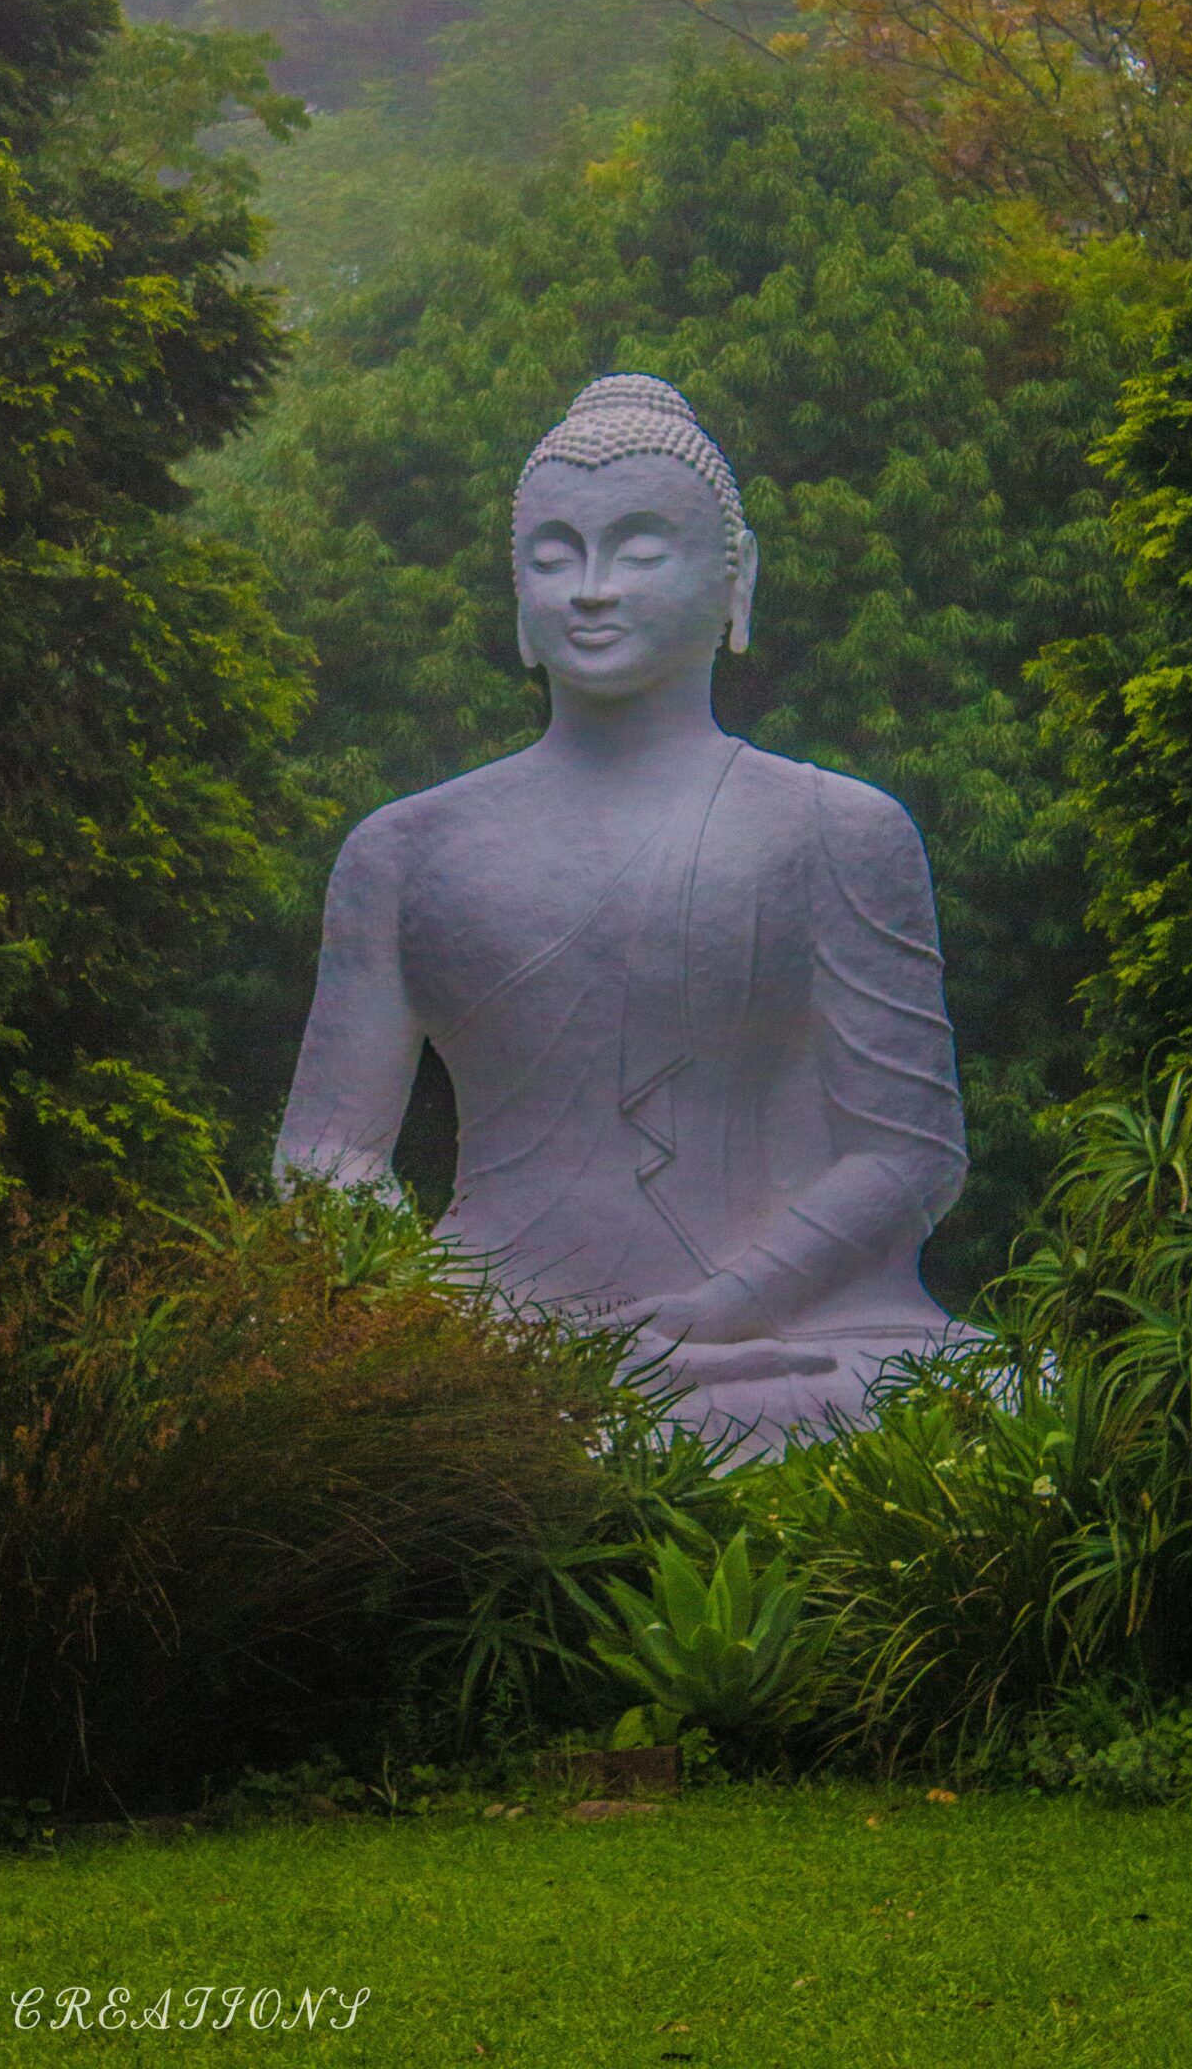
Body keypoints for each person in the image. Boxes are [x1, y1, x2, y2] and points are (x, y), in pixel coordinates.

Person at [275, 373, 969, 1448]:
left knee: (991, 1388)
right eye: (554, 557)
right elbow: (326, 1158)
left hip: (766, 1333)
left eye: (640, 550)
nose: (591, 590)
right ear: (517, 595)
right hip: (487, 1327)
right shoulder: (404, 849)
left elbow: (909, 1154)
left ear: (737, 577)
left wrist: (722, 1307)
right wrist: (441, 1324)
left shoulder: (836, 826)